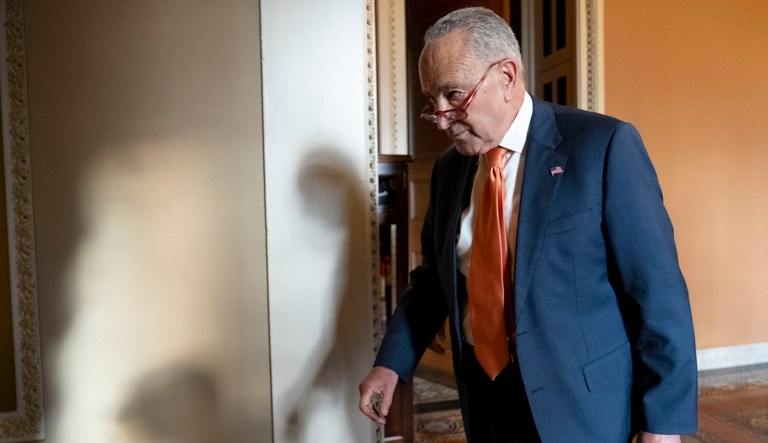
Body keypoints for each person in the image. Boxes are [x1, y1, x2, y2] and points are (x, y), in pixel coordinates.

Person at [359, 6, 697, 443]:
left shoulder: (604, 146)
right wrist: (392, 363)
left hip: (584, 407)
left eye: (454, 95)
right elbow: (432, 283)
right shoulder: (450, 170)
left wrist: (662, 426)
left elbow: (657, 293)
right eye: (432, 101)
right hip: (485, 398)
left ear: (507, 76)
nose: (441, 119)